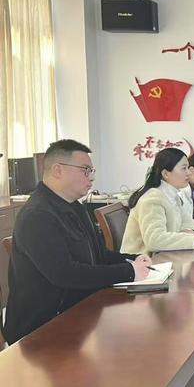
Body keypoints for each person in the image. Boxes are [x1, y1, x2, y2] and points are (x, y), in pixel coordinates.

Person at [3, 139, 152, 344]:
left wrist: (133, 259)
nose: (91, 177)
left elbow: (98, 255)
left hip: (81, 310)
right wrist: (129, 272)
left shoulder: (75, 207)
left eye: (91, 170)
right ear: (57, 170)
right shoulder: (37, 215)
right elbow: (65, 274)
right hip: (43, 329)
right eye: (85, 170)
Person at [121, 148, 194, 254]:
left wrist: (188, 232)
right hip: (143, 261)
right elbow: (155, 241)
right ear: (166, 174)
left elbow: (189, 225)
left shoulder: (173, 196)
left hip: (165, 256)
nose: (188, 173)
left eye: (188, 167)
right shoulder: (152, 199)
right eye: (184, 168)